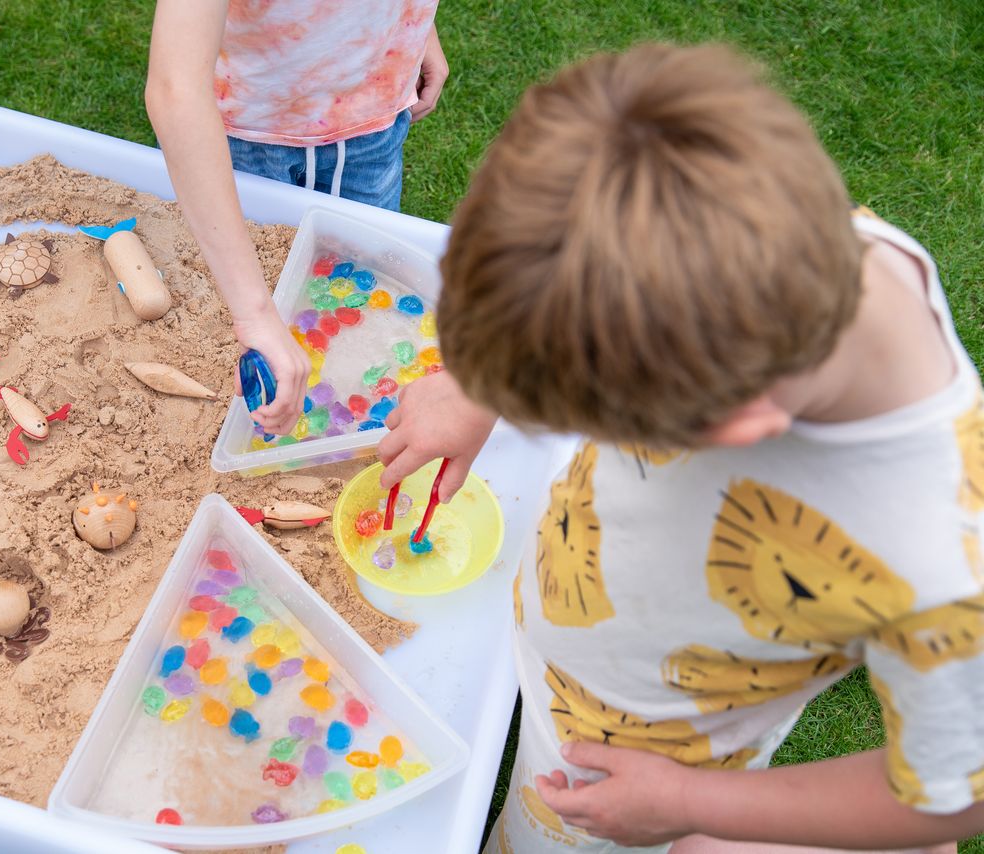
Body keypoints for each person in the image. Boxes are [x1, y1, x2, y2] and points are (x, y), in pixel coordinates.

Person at [378, 43, 984, 853]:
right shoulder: (769, 241)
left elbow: (947, 802)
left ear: (731, 434)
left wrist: (691, 804)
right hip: (582, 653)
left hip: (637, 760)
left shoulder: (942, 572)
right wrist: (484, 386)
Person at [145, 0, 448, 436]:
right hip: (246, 130)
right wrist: (253, 315)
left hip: (375, 118)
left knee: (362, 276)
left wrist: (417, 30)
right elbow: (176, 90)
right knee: (242, 282)